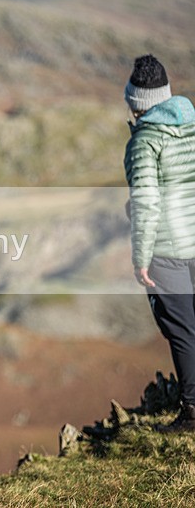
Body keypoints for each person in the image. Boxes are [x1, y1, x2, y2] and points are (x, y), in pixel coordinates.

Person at [123, 54, 195, 432]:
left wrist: (141, 258)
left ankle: (192, 412)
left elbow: (147, 203)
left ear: (136, 104)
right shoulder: (191, 125)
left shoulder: (145, 142)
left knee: (181, 330)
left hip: (167, 249)